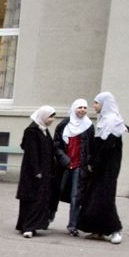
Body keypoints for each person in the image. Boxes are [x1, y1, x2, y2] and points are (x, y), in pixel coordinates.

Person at [76, 91, 129, 244]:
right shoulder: (105, 120)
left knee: (105, 197)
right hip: (99, 168)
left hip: (107, 169)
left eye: (96, 103)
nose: (94, 106)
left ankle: (115, 230)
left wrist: (95, 164)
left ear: (104, 104)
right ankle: (98, 231)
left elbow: (107, 148)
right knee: (93, 197)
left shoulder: (113, 122)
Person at [53, 98, 94, 237]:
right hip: (64, 165)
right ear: (74, 108)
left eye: (85, 107)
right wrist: (64, 159)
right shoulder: (64, 124)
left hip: (79, 166)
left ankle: (73, 225)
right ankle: (47, 218)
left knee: (76, 196)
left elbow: (91, 147)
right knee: (56, 192)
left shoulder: (88, 126)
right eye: (79, 107)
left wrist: (88, 163)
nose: (82, 110)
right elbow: (56, 145)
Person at [15, 105, 57, 238]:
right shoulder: (32, 130)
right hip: (34, 173)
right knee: (32, 199)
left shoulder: (43, 130)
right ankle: (28, 226)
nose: (52, 119)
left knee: (40, 200)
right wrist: (37, 171)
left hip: (44, 172)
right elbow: (31, 151)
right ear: (44, 116)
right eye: (50, 116)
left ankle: (32, 225)